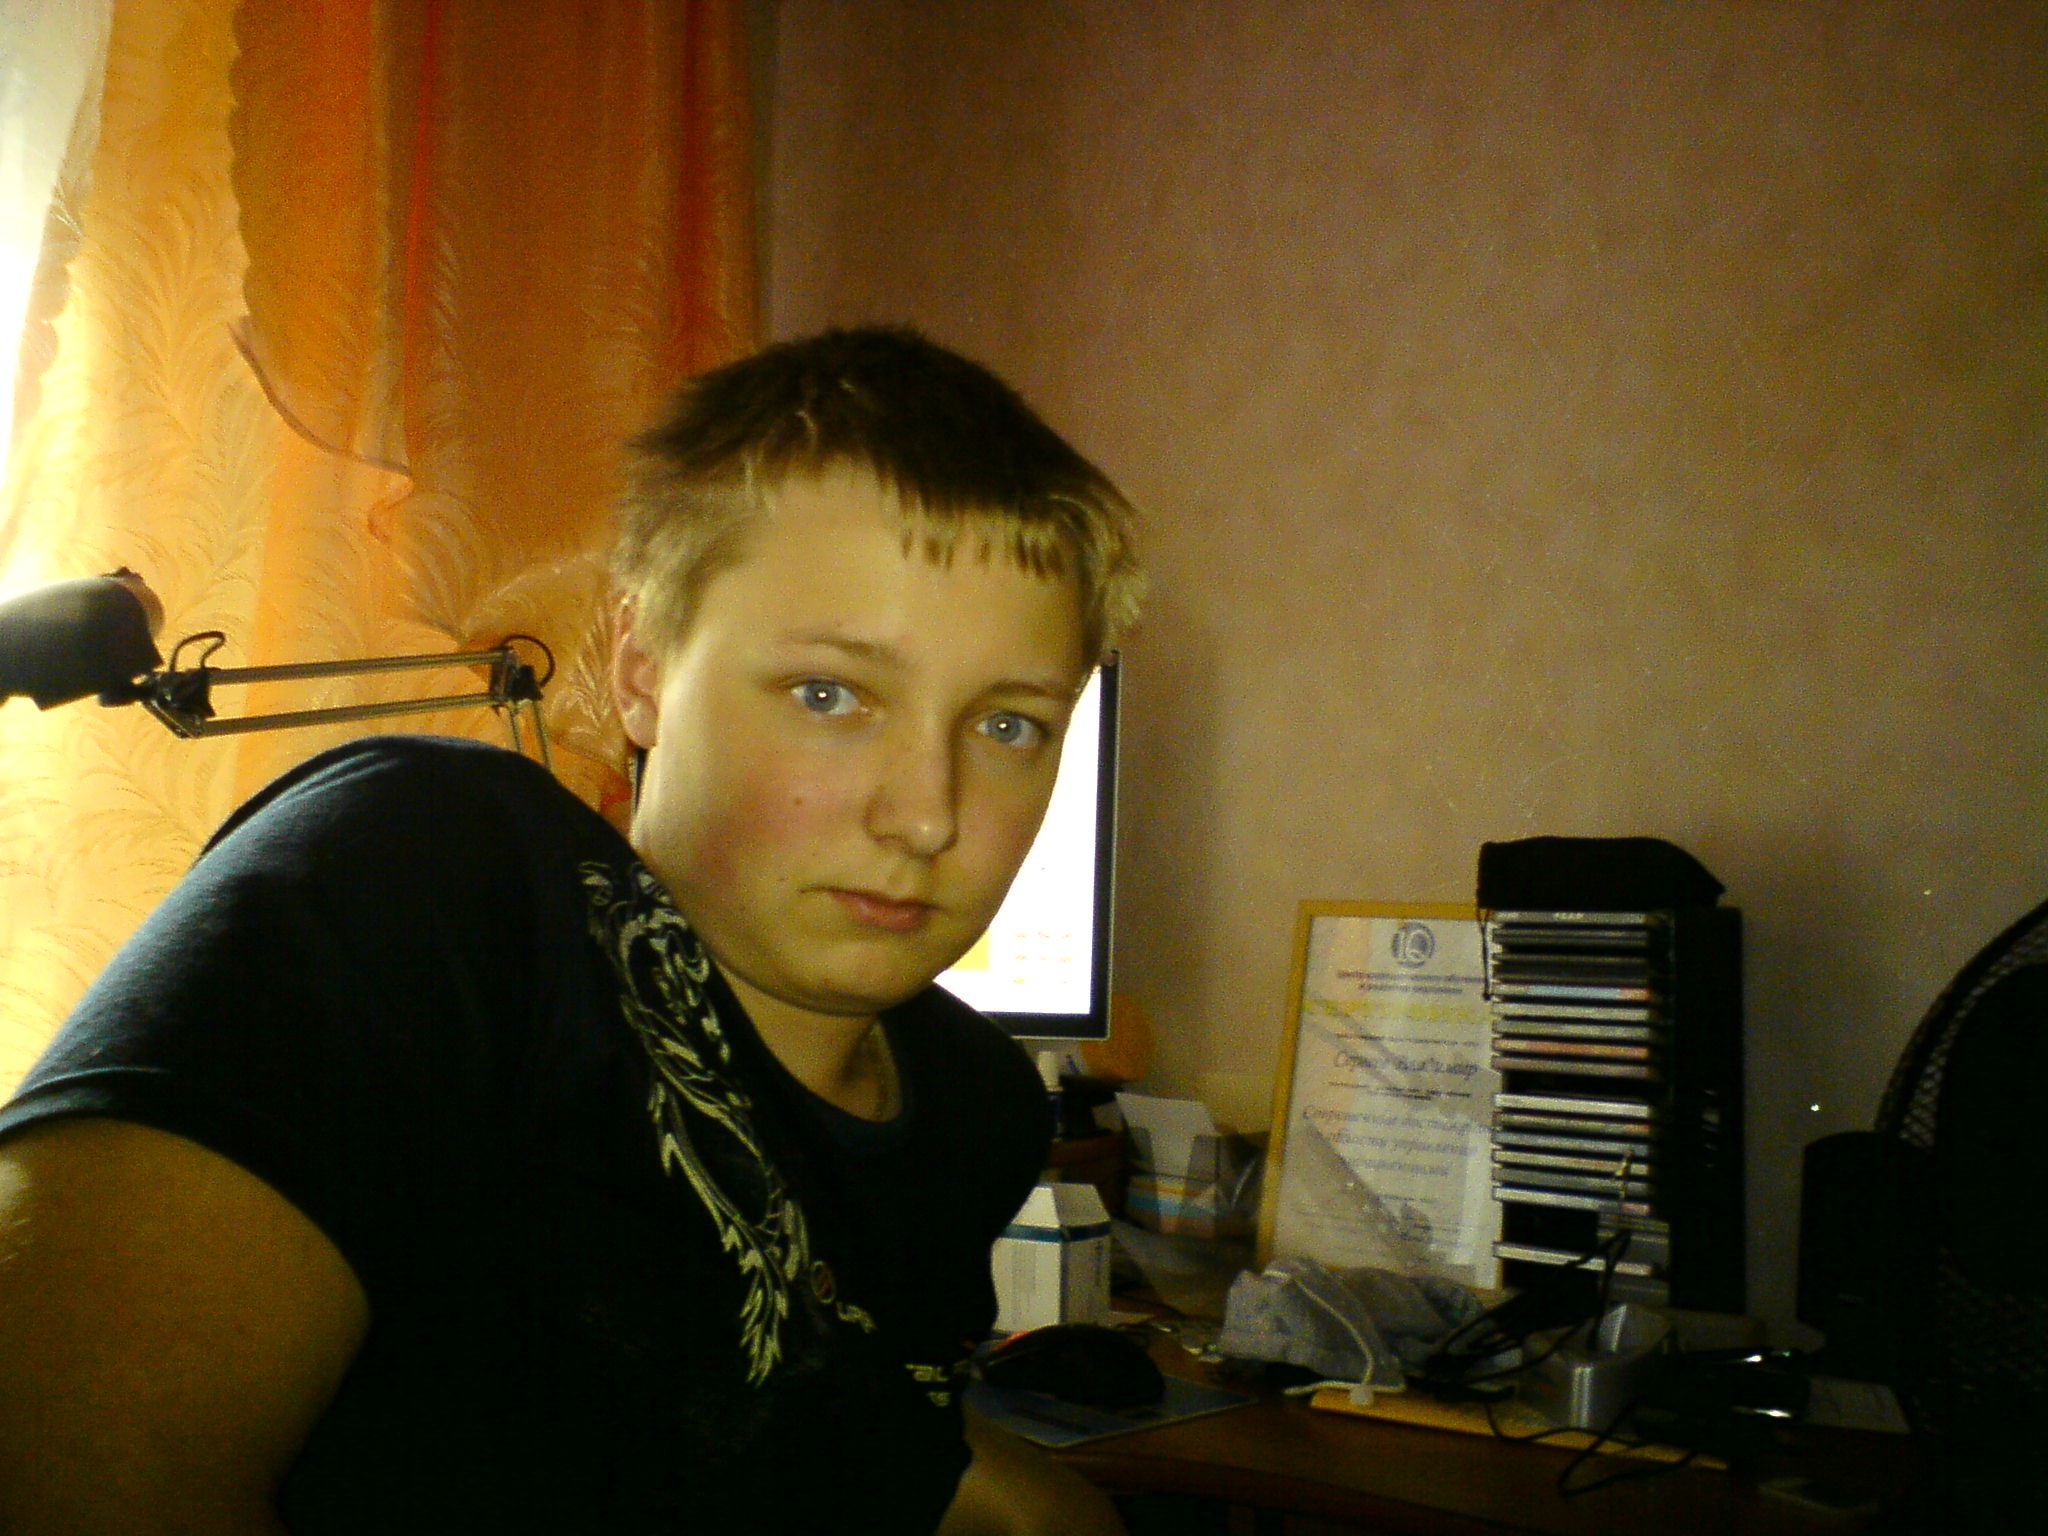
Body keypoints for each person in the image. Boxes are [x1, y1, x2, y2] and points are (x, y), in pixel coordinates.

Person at [0, 326, 1144, 1535]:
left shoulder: (977, 1109)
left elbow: (822, 1428)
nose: (927, 815)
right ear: (640, 668)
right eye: (829, 694)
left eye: (1009, 726)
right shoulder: (435, 873)